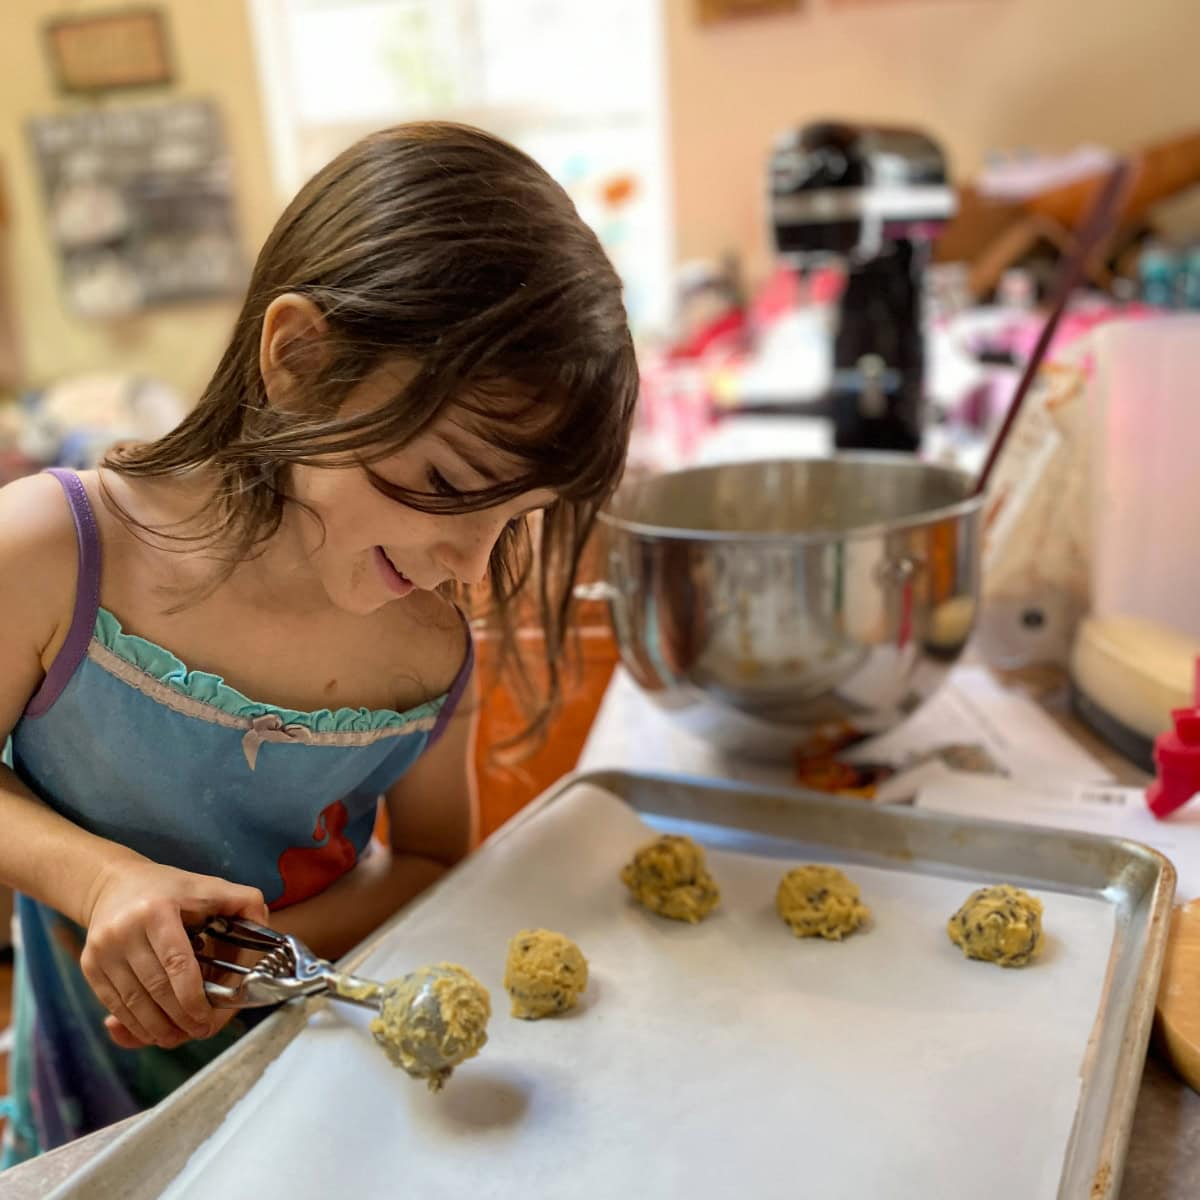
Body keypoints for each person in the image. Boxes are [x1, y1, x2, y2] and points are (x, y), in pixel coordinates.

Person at [0, 121, 637, 1166]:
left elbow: (432, 859)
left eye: (513, 519)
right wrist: (102, 879)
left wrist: (261, 964)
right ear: (301, 358)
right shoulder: (51, 555)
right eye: (442, 488)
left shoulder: (427, 648)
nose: (470, 569)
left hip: (320, 1116)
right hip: (91, 1110)